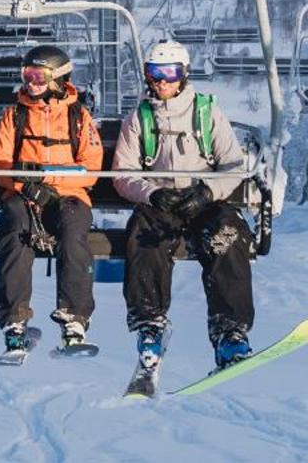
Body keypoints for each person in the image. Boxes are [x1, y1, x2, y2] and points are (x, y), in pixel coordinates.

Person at [110, 38, 257, 370]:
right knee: (144, 237)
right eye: (155, 73)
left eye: (170, 72)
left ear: (183, 74)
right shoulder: (140, 118)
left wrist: (207, 192)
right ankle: (150, 324)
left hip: (202, 200)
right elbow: (122, 172)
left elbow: (234, 164)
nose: (162, 81)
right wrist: (151, 193)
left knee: (227, 235)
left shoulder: (206, 113)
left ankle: (229, 331)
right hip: (160, 201)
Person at [0, 43, 105, 354]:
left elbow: (91, 169)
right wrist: (24, 184)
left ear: (59, 78)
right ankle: (14, 319)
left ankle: (74, 317)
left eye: (39, 76)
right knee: (15, 232)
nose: (31, 83)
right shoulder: (15, 115)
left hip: (68, 197)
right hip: (23, 196)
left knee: (73, 233)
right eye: (27, 75)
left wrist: (48, 180)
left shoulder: (79, 117)